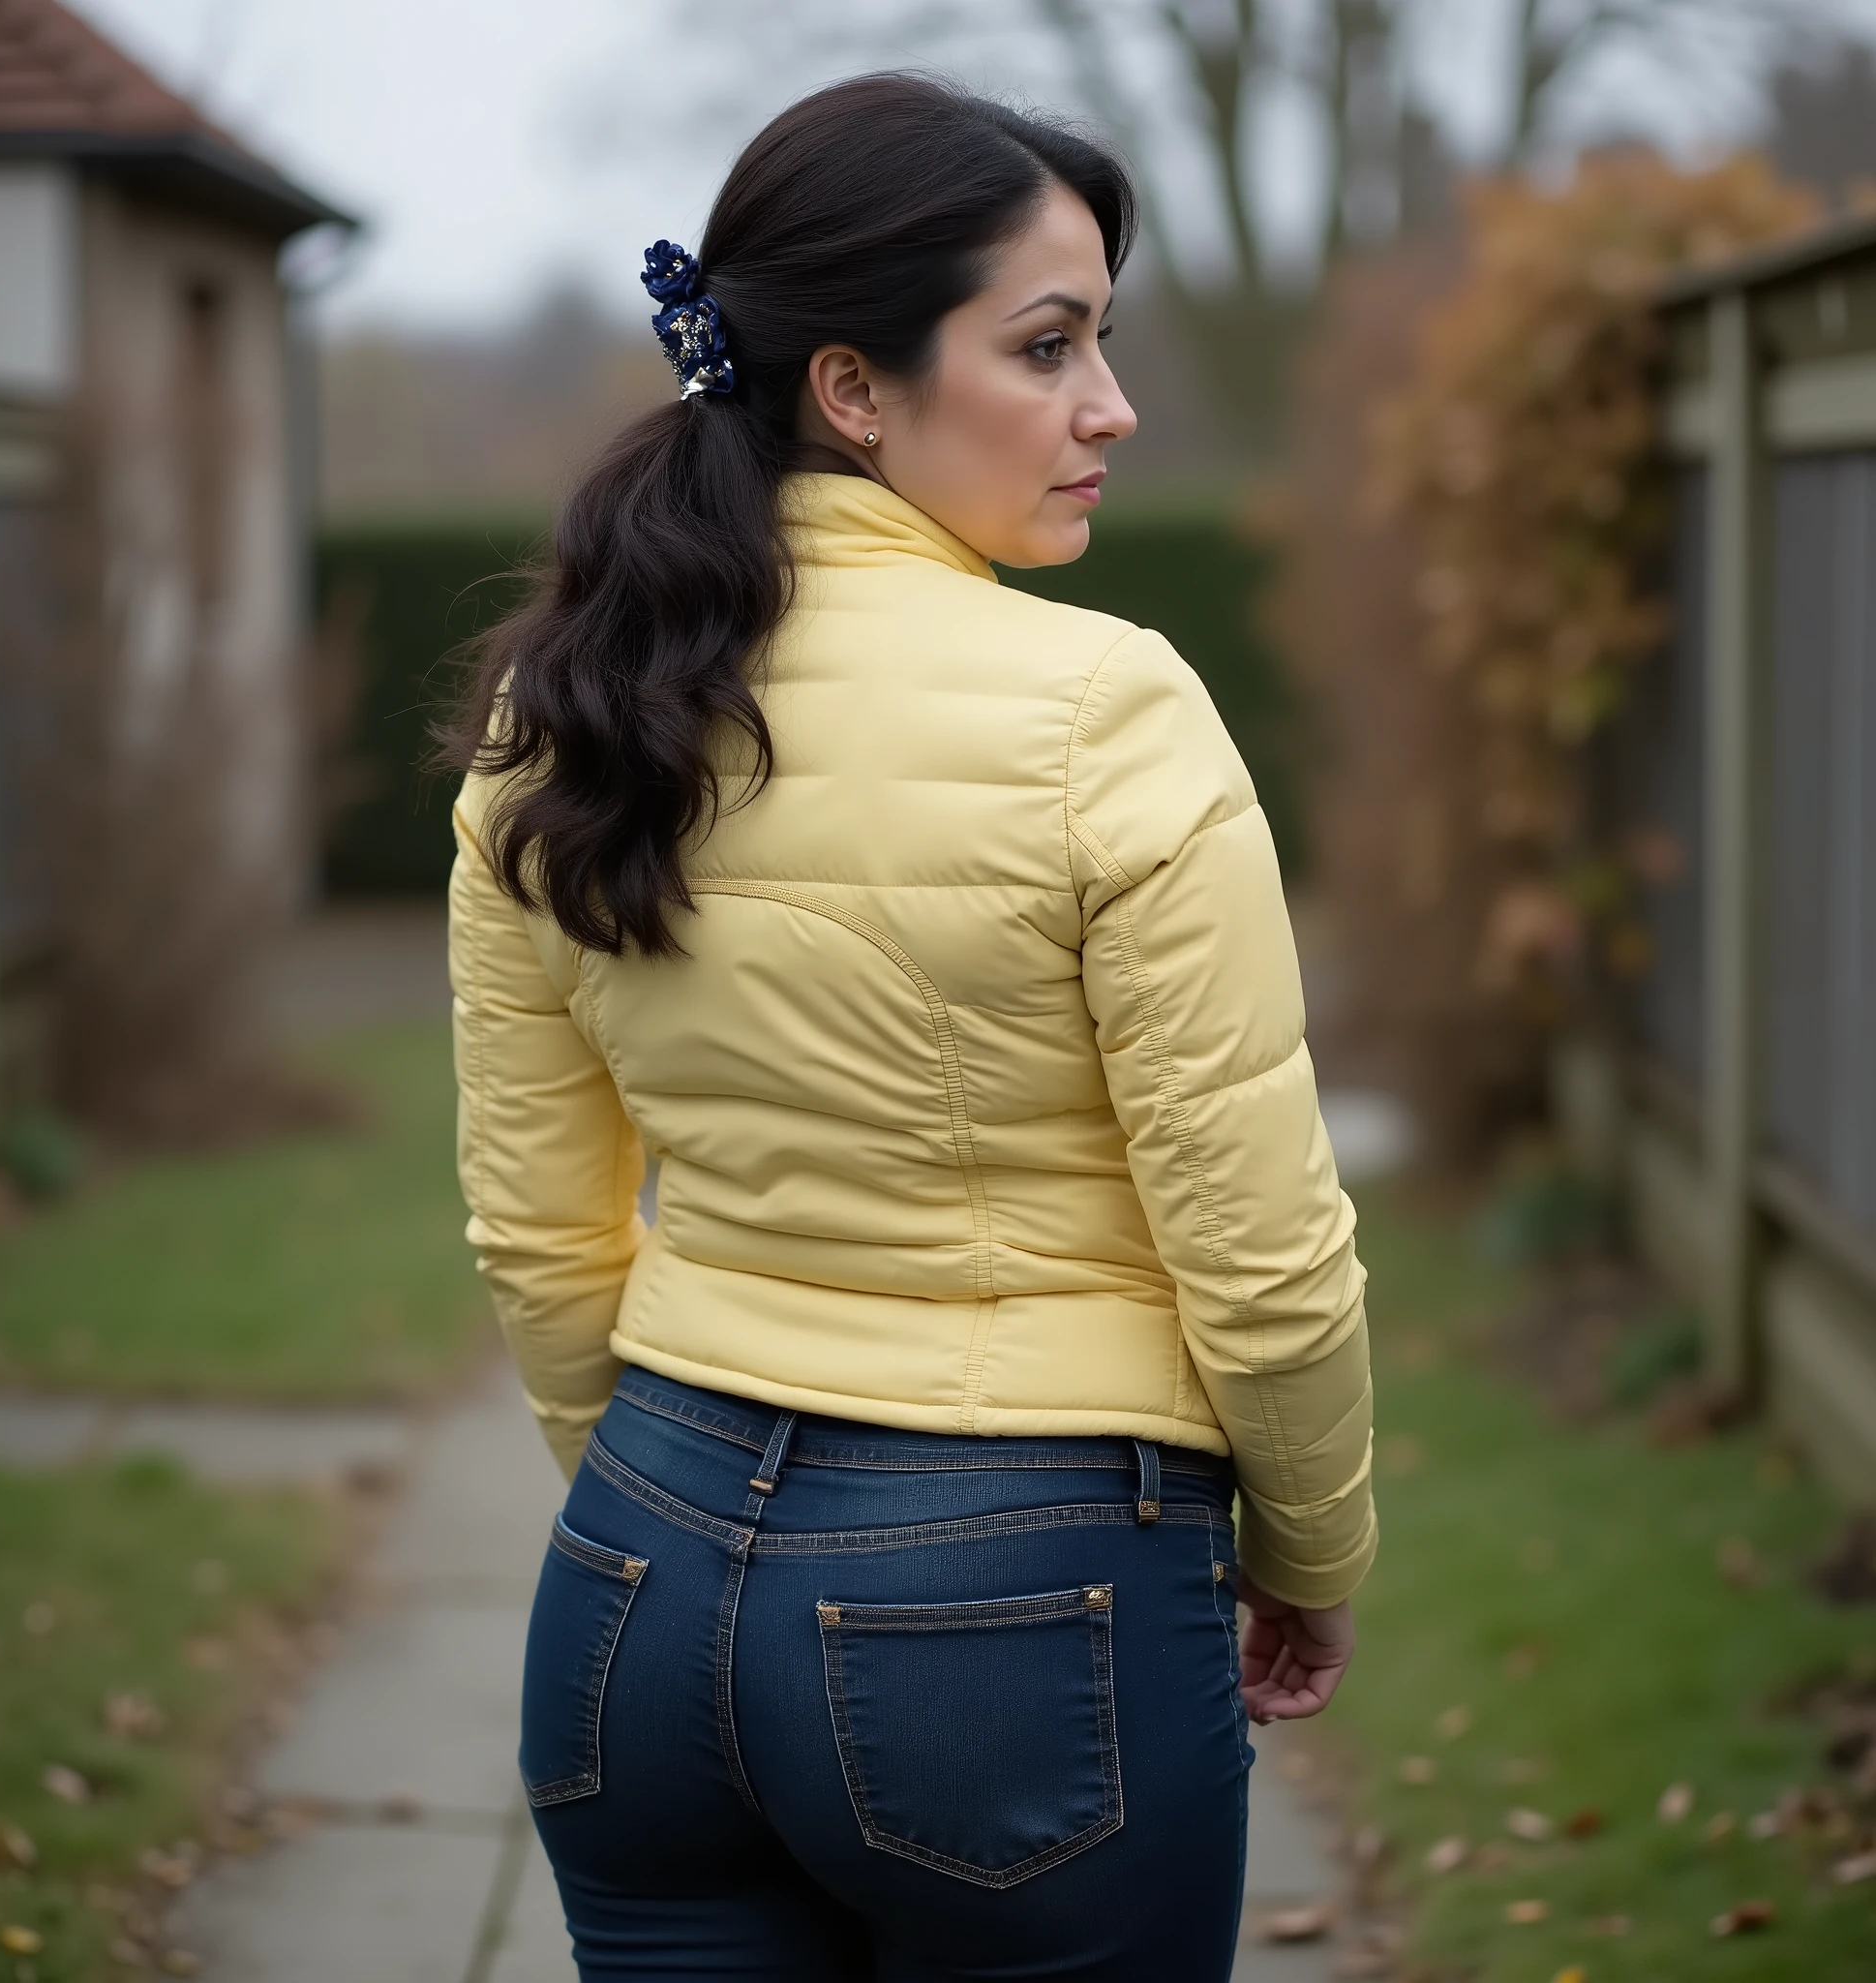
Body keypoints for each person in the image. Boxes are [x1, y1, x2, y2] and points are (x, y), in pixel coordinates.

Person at [445, 72, 1377, 1983]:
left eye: (1099, 343)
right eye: (1047, 346)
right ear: (852, 387)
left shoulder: (570, 707)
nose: (1107, 406)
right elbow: (1261, 1252)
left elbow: (542, 1242)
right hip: (1022, 1616)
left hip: (634, 1582)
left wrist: (651, 1522)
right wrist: (1312, 1545)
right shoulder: (1108, 711)